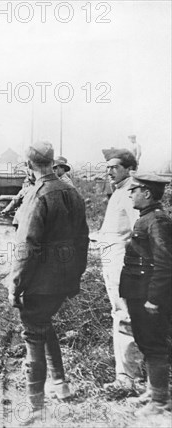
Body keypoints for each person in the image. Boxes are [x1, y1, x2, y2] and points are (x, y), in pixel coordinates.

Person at [7, 141, 89, 421]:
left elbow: (27, 246)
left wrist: (15, 284)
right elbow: (82, 238)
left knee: (32, 335)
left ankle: (35, 407)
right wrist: (76, 273)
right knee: (44, 324)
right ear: (52, 161)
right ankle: (60, 383)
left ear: (30, 165)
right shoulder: (72, 191)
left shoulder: (38, 195)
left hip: (40, 282)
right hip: (64, 280)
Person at [121, 172, 171, 417]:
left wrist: (154, 298)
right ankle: (153, 392)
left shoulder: (157, 221)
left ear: (147, 193)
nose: (131, 193)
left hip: (147, 295)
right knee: (145, 341)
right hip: (138, 292)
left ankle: (160, 401)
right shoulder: (147, 218)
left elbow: (164, 263)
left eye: (135, 189)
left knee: (154, 345)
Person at [97, 148, 143, 391]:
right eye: (107, 167)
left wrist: (128, 259)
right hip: (112, 261)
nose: (109, 171)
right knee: (119, 313)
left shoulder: (129, 192)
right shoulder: (118, 191)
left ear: (128, 168)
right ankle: (125, 374)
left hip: (122, 263)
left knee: (124, 315)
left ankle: (128, 377)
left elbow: (139, 231)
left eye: (114, 167)